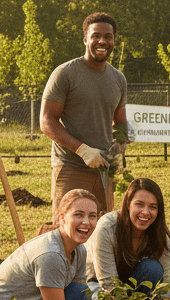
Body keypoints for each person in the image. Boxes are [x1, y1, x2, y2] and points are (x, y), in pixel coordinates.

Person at [40, 12, 127, 217]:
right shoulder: (66, 73)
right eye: (96, 35)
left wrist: (119, 149)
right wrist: (83, 150)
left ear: (114, 40)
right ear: (85, 39)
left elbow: (122, 124)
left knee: (101, 229)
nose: (102, 41)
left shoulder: (118, 79)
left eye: (108, 36)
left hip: (104, 171)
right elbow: (46, 121)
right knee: (67, 230)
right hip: (70, 167)